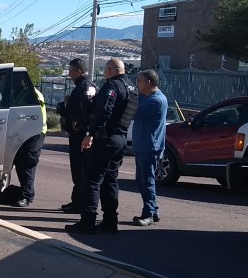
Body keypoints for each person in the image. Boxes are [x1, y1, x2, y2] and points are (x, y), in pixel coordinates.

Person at [65, 58, 131, 235]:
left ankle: (87, 222)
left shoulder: (112, 87)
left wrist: (90, 134)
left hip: (105, 140)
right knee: (110, 180)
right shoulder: (131, 88)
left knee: (91, 180)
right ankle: (110, 221)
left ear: (110, 70)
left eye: (105, 70)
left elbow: (103, 112)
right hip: (120, 139)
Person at [56, 58, 96, 213]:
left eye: (71, 71)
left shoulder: (80, 89)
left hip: (79, 137)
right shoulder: (92, 86)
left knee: (79, 170)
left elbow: (79, 113)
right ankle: (78, 201)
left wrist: (68, 116)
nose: (69, 74)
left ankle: (79, 204)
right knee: (84, 170)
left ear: (79, 71)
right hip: (86, 135)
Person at [131, 69, 168, 226]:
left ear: (148, 82)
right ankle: (153, 209)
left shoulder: (156, 100)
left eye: (139, 81)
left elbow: (134, 112)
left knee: (147, 180)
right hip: (143, 145)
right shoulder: (147, 97)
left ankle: (149, 214)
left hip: (149, 146)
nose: (137, 84)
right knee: (142, 179)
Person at [12, 87, 47, 207]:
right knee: (19, 162)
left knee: (28, 163)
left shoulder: (32, 94)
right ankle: (24, 192)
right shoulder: (20, 92)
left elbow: (32, 114)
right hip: (23, 133)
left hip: (34, 133)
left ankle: (27, 196)